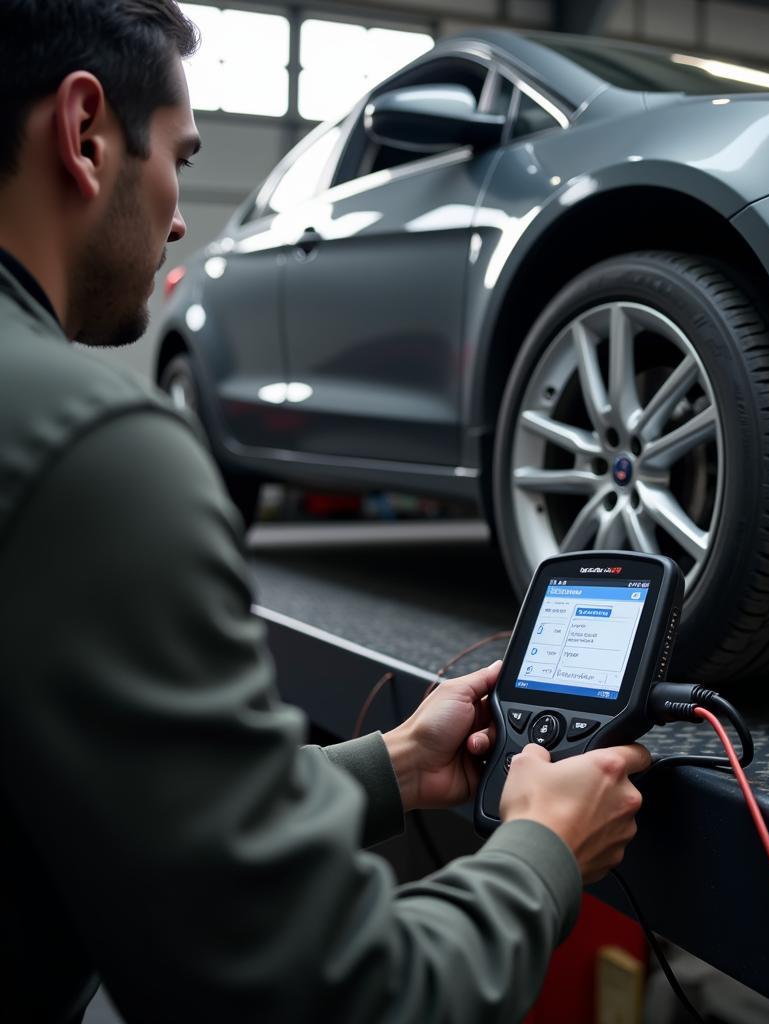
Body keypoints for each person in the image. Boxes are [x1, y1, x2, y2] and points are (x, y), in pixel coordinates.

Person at [0, 3, 651, 1022]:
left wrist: (393, 762)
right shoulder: (100, 454)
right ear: (85, 133)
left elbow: (138, 798)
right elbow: (331, 997)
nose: (179, 219)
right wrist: (544, 853)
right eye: (181, 154)